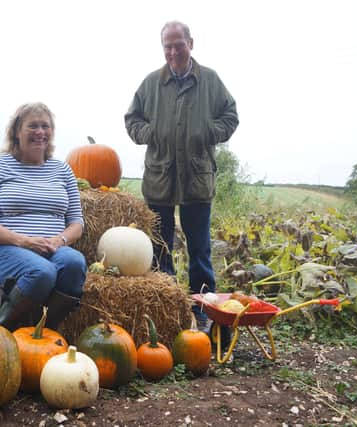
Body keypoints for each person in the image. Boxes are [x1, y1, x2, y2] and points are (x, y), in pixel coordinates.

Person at [124, 21, 239, 333]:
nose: (173, 51)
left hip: (197, 180)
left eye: (179, 44)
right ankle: (170, 313)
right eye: (168, 46)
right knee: (161, 249)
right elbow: (132, 119)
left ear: (191, 43)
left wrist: (208, 132)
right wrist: (151, 132)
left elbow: (231, 116)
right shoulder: (151, 83)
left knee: (200, 250)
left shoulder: (211, 81)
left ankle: (204, 314)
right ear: (163, 47)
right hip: (160, 179)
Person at [0, 102, 86, 332]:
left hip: (52, 248)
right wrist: (24, 241)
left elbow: (77, 223)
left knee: (75, 263)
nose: (40, 132)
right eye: (33, 126)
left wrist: (59, 241)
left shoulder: (62, 170)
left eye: (45, 126)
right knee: (41, 272)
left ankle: (45, 331)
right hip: (5, 249)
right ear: (17, 132)